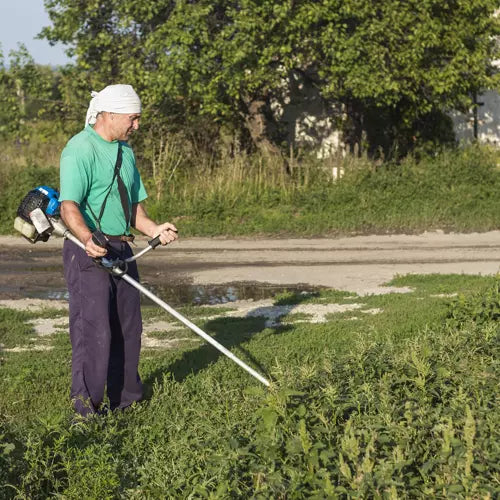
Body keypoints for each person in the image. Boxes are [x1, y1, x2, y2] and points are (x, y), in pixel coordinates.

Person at [59, 84, 178, 417]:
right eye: (133, 119)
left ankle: (126, 403)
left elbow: (133, 209)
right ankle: (86, 411)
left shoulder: (126, 152)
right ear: (109, 114)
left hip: (123, 248)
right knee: (93, 329)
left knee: (129, 328)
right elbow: (69, 206)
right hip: (88, 248)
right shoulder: (79, 149)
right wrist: (86, 239)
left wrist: (154, 229)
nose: (136, 126)